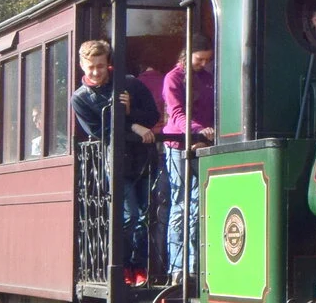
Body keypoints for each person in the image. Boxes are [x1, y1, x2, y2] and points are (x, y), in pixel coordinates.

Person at [69, 39, 158, 275]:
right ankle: (129, 268)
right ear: (82, 66)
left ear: (107, 62)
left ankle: (144, 267)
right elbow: (100, 132)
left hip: (143, 159)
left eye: (100, 66)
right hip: (116, 162)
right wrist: (133, 127)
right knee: (131, 217)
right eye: (91, 67)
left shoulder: (129, 83)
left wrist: (130, 112)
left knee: (149, 215)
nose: (96, 72)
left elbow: (153, 115)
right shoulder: (80, 98)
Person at [159, 46, 215, 282]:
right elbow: (177, 113)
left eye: (207, 59)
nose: (203, 63)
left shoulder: (207, 78)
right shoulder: (173, 78)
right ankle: (176, 266)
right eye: (199, 59)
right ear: (187, 54)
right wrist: (198, 131)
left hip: (202, 143)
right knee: (181, 205)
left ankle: (194, 266)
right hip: (178, 145)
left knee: (197, 207)